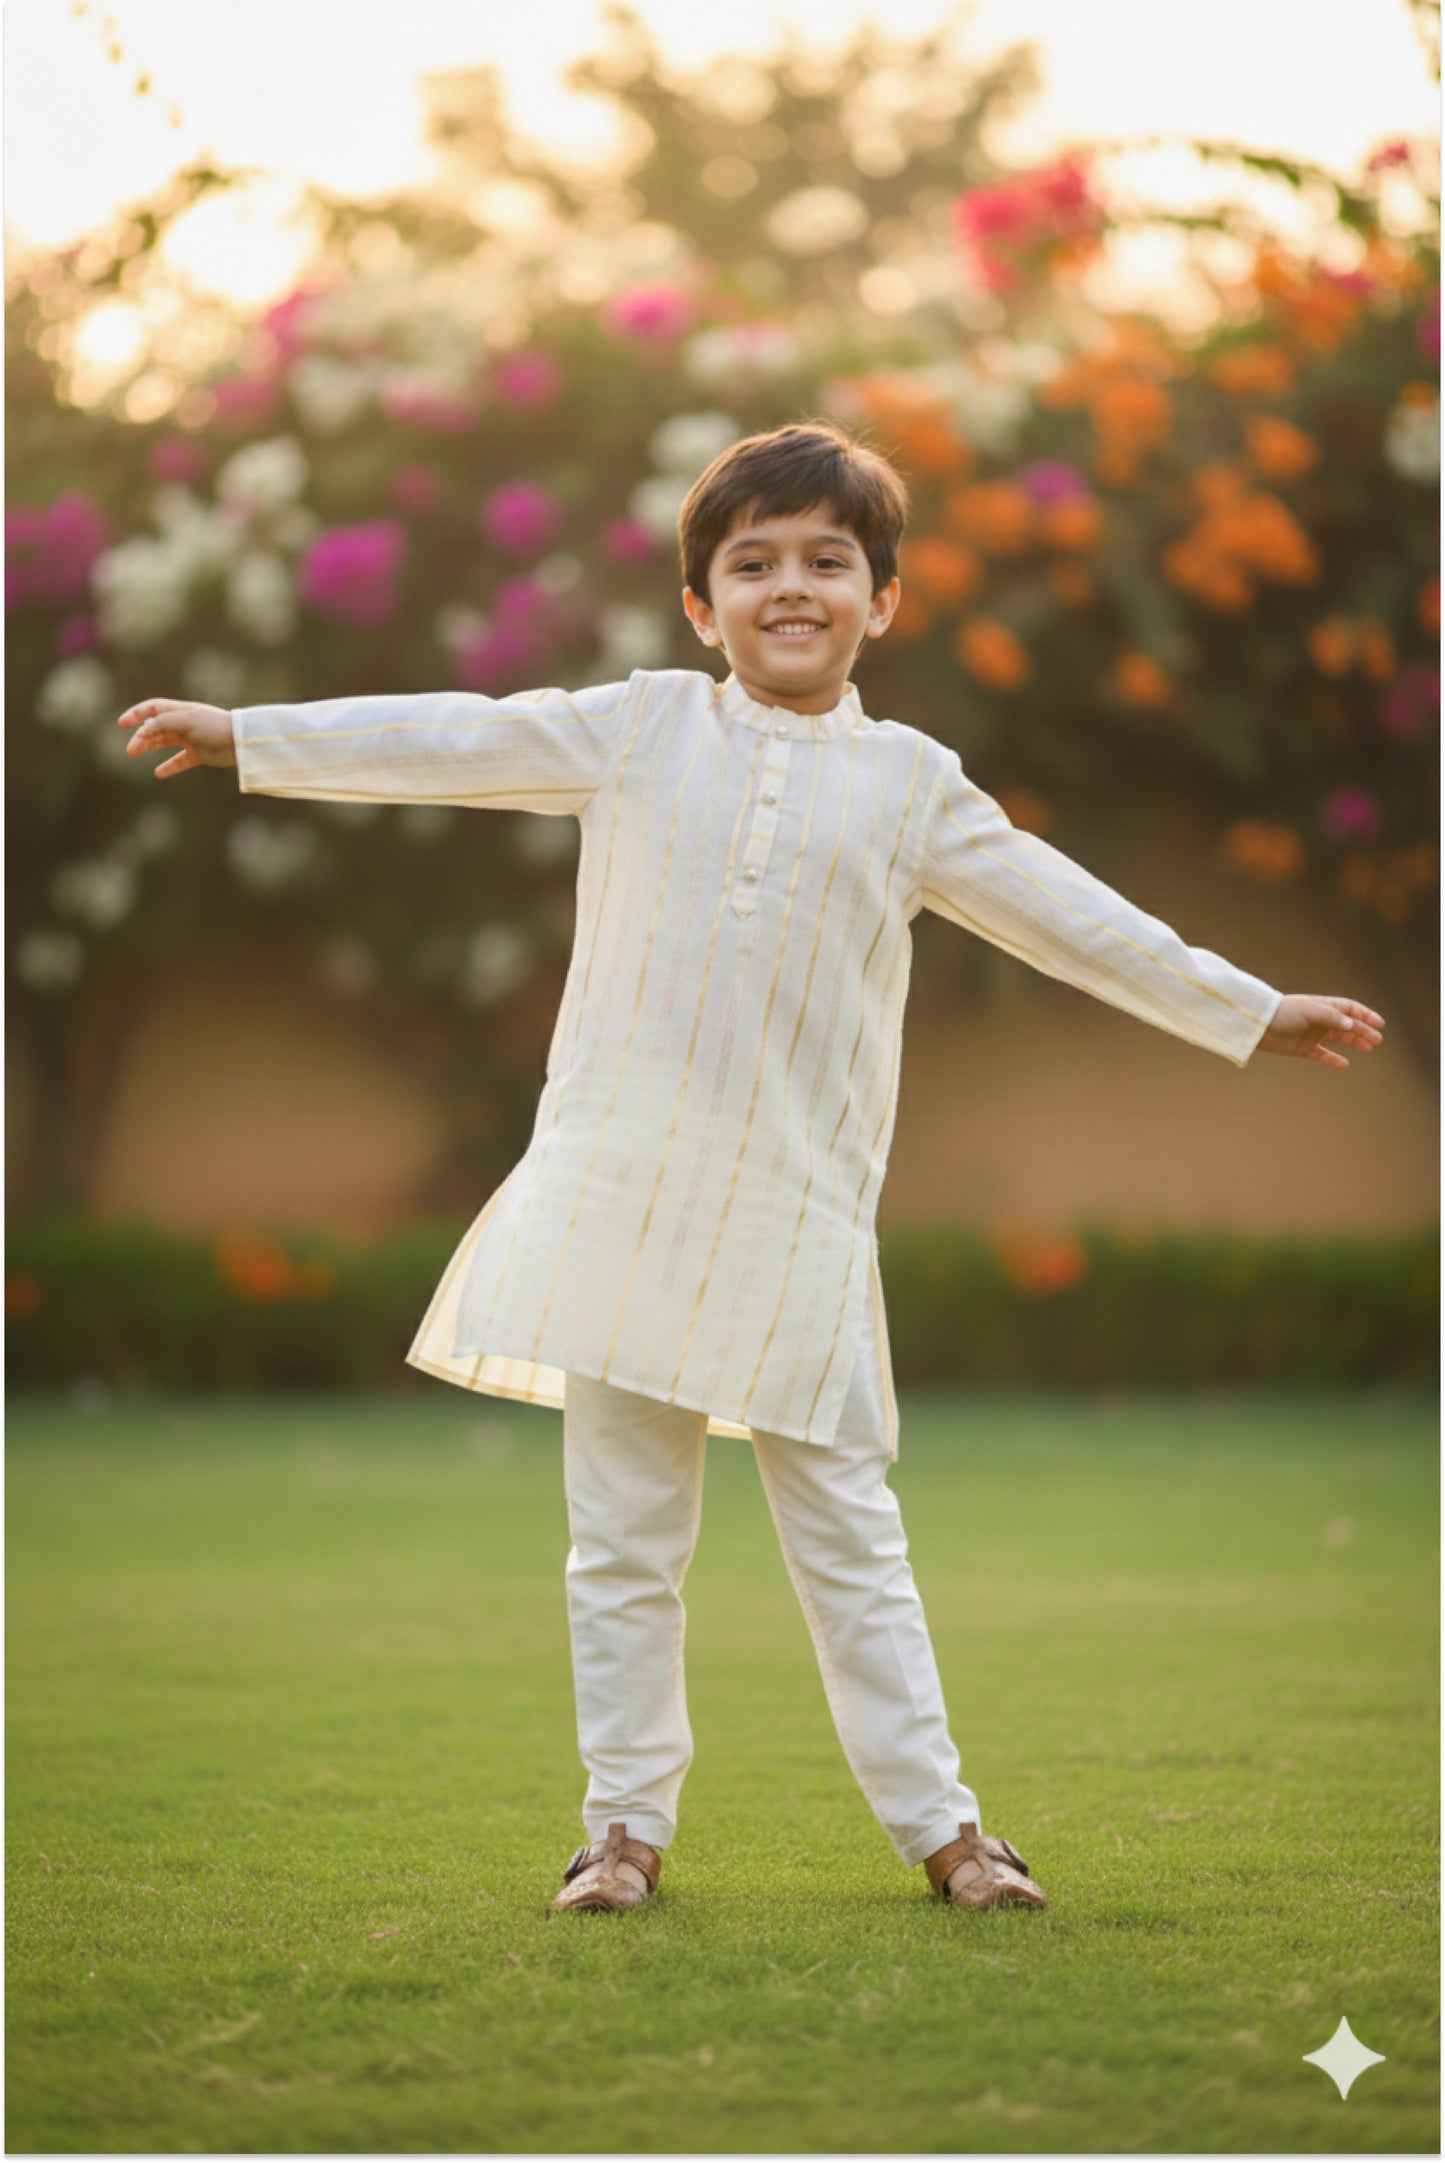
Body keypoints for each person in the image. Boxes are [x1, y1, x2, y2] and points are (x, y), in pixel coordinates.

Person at [116, 419, 1385, 1917]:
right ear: (701, 606)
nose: (793, 587)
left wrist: (1245, 1011)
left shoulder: (911, 787)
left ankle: (948, 1836)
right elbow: (461, 732)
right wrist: (252, 734)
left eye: (828, 562)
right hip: (623, 1202)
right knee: (622, 1549)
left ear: (882, 601)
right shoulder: (643, 727)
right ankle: (622, 1837)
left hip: (793, 1224)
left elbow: (1069, 913)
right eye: (754, 563)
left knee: (853, 1546)